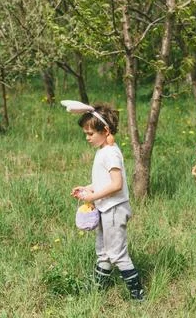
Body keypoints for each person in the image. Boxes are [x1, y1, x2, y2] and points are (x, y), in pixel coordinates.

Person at [70, 104, 144, 301]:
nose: (87, 137)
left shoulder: (110, 153)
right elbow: (104, 182)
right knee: (103, 252)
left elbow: (117, 184)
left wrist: (92, 197)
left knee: (117, 254)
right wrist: (88, 188)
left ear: (106, 131)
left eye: (90, 133)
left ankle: (138, 295)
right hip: (106, 208)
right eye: (85, 133)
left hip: (114, 209)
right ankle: (97, 289)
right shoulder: (103, 150)